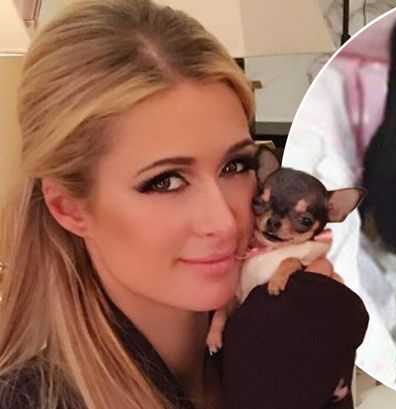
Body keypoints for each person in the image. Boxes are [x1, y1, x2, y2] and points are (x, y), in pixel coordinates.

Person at [0, 1, 368, 408]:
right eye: (165, 181)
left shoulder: (285, 337)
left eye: (234, 165)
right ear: (69, 208)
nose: (224, 221)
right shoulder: (34, 399)